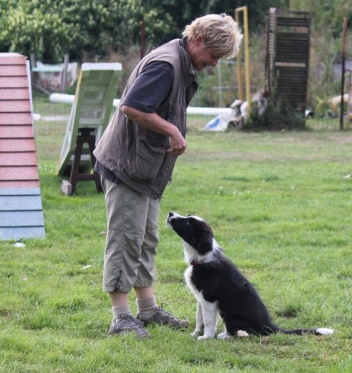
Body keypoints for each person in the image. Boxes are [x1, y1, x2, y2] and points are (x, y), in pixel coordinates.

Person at [93, 14, 243, 338]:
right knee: (124, 239)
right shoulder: (167, 65)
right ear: (199, 40)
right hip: (127, 167)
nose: (214, 65)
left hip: (145, 169)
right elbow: (131, 106)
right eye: (214, 56)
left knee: (146, 239)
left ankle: (147, 311)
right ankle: (120, 317)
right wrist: (171, 129)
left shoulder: (181, 63)